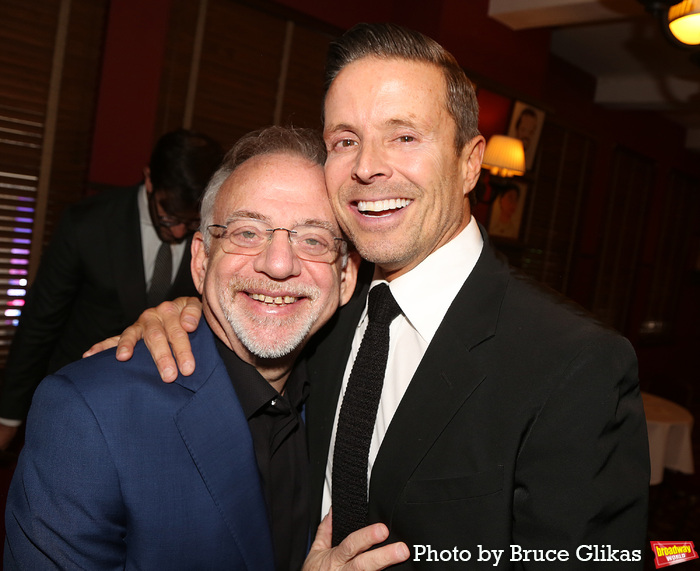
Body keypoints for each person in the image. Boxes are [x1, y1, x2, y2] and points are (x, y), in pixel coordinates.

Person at [94, 24, 649, 568]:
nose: (366, 167)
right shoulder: (320, 310)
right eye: (345, 140)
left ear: (469, 162)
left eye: (404, 136)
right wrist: (188, 313)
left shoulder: (573, 364)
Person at [4, 126, 409, 570]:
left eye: (312, 239)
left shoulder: (354, 399)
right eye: (246, 232)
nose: (278, 263)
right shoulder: (87, 417)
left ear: (347, 275)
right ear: (201, 260)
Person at [0, 129, 224, 451]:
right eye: (168, 217)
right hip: (80, 398)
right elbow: (40, 323)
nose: (178, 232)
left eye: (190, 223)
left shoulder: (215, 237)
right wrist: (9, 417)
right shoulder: (87, 224)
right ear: (149, 180)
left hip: (161, 414)